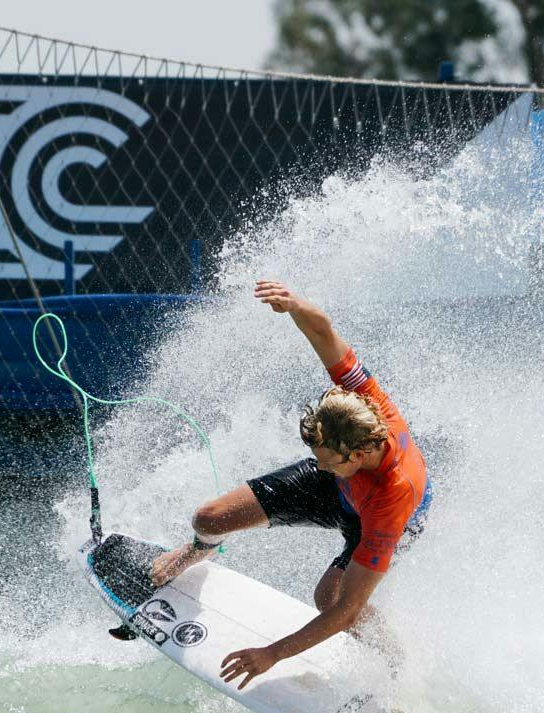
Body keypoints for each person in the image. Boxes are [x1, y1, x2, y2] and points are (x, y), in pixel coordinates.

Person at [147, 280, 432, 690]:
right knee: (209, 519)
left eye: (327, 460)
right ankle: (199, 551)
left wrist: (272, 654)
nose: (320, 465)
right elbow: (324, 332)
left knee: (331, 599)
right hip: (343, 488)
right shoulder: (361, 403)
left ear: (354, 455)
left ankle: (395, 669)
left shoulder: (392, 498)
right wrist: (296, 305)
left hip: (377, 517)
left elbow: (347, 611)